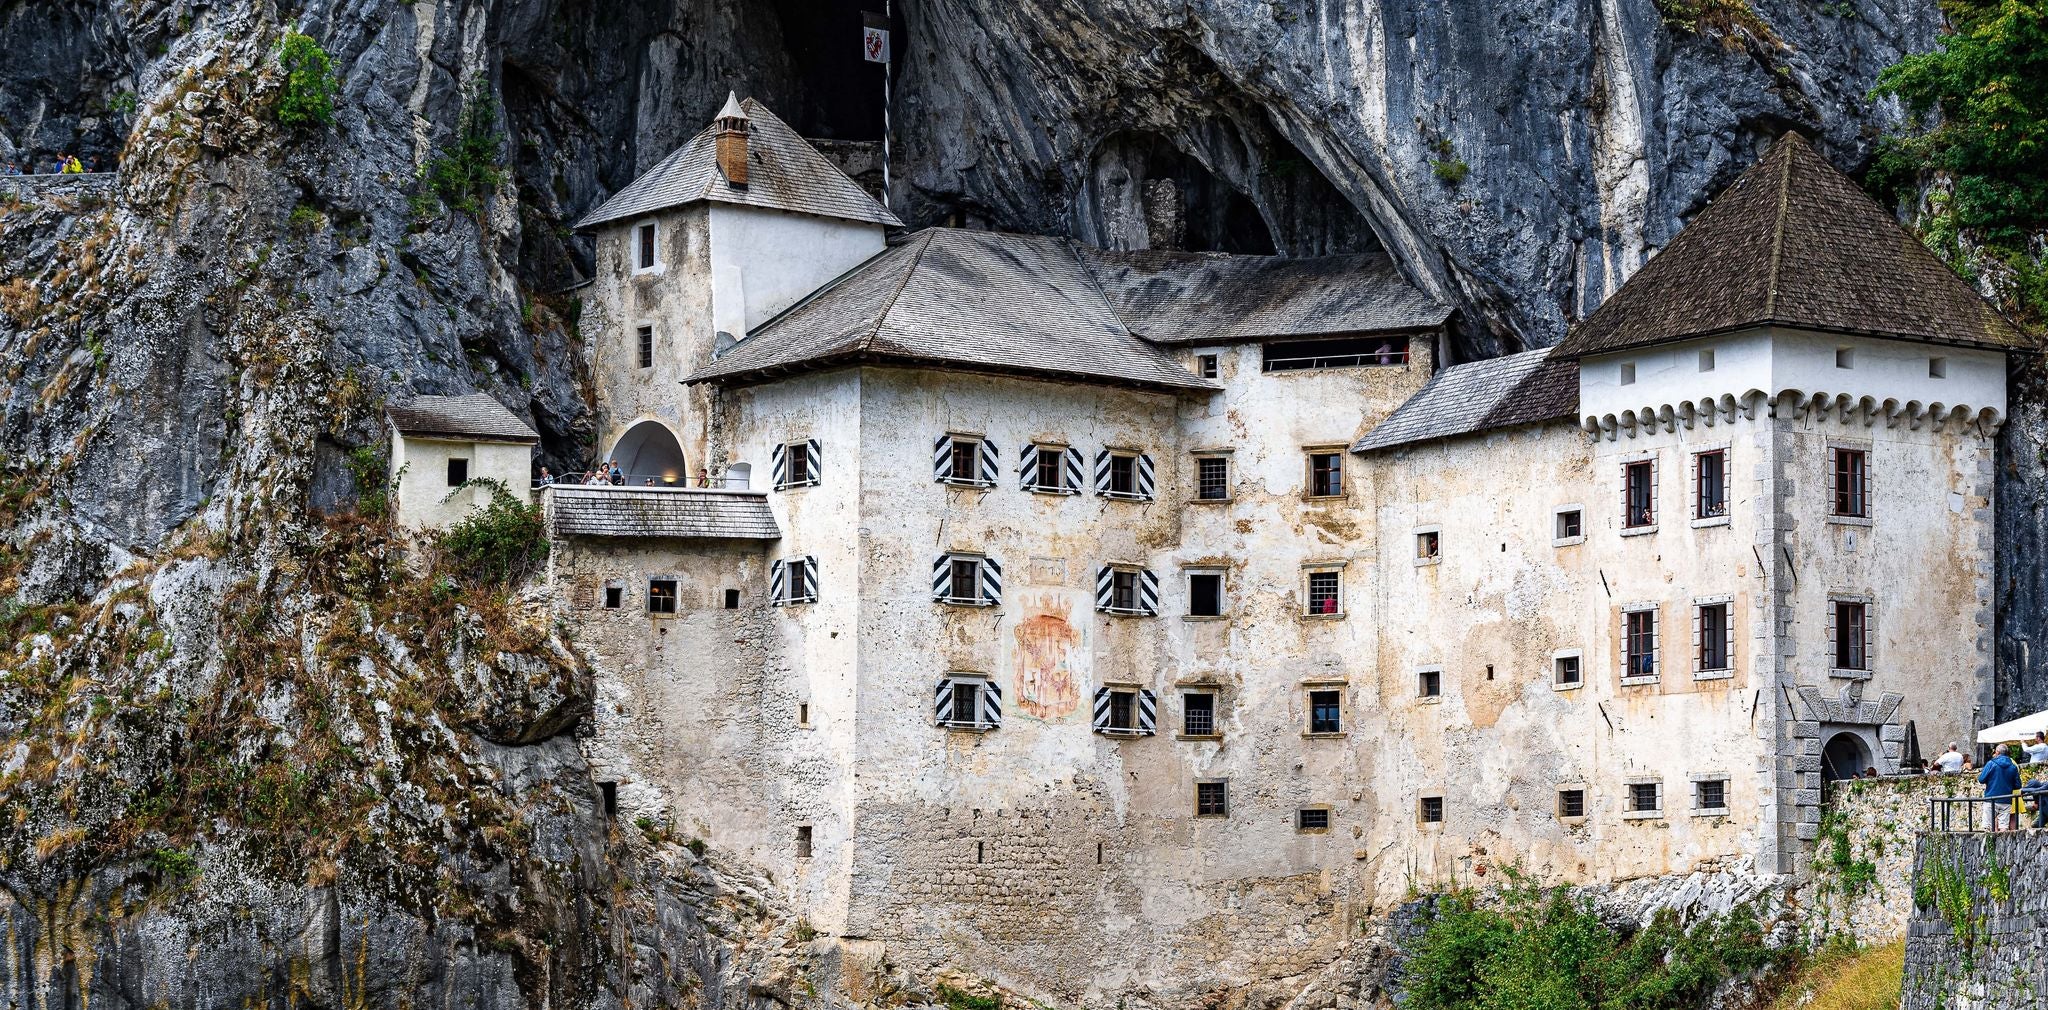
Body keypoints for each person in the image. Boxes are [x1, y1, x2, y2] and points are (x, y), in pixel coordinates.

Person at [1979, 744, 2021, 830]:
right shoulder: (2013, 766)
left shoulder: (1991, 763)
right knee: (2003, 827)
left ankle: (1989, 843)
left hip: (1991, 798)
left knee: (1987, 826)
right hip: (2006, 799)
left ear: (1997, 752)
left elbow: (1981, 779)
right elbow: (2018, 785)